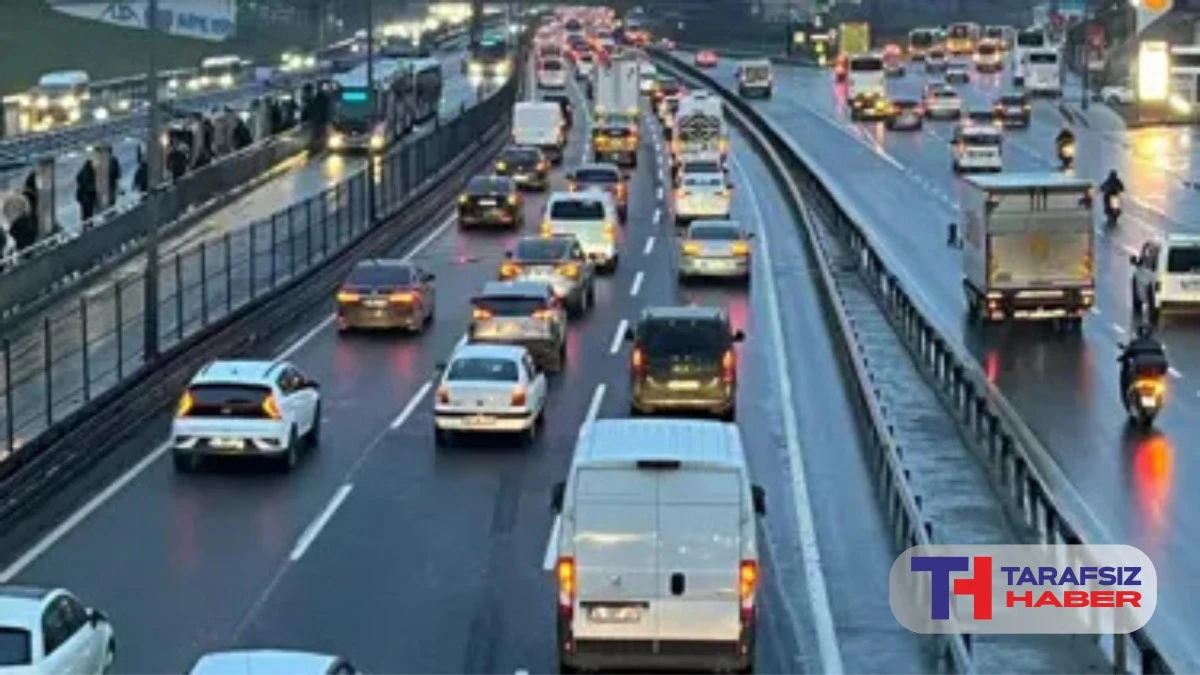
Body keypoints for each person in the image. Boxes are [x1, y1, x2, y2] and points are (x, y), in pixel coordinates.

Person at [1118, 324, 1168, 400]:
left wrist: (1122, 358)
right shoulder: (1156, 344)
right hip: (1157, 370)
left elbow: (1127, 354)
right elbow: (1163, 355)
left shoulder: (1135, 343)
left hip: (1142, 370)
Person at [75, 159, 98, 223]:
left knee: (84, 213)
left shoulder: (82, 171)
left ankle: (84, 225)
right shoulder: (90, 172)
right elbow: (90, 185)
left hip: (83, 197)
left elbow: (78, 179)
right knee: (89, 212)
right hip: (88, 197)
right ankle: (89, 224)